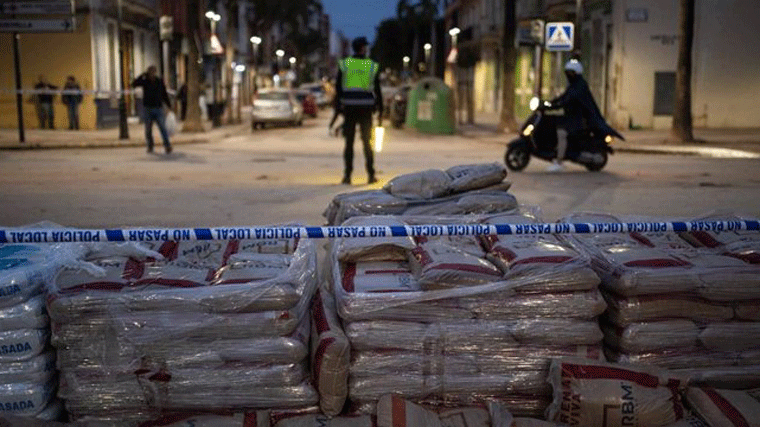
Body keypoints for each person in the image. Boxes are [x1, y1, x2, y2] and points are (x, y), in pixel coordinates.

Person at [544, 59, 610, 172]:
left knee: (561, 133)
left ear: (576, 73)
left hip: (578, 121)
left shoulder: (580, 86)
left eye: (571, 73)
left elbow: (568, 100)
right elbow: (563, 97)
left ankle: (559, 162)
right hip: (571, 118)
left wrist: (555, 106)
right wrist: (548, 103)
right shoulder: (573, 85)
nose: (569, 75)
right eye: (567, 73)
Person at [335, 36, 382, 185]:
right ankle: (371, 175)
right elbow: (377, 88)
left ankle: (347, 176)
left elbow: (338, 88)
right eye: (366, 47)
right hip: (366, 108)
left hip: (349, 108)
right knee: (367, 143)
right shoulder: (371, 65)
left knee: (348, 143)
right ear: (362, 48)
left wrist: (339, 106)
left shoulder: (345, 64)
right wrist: (380, 108)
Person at [132, 65, 172, 154]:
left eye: (153, 72)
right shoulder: (145, 81)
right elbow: (134, 84)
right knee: (148, 129)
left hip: (158, 108)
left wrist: (168, 105)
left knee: (162, 128)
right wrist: (142, 76)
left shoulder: (159, 81)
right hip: (148, 108)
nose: (152, 74)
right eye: (150, 72)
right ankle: (150, 146)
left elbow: (164, 93)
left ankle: (167, 145)